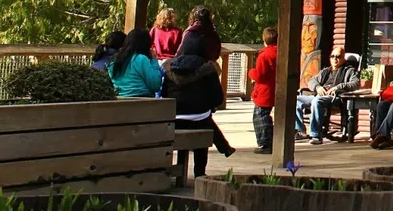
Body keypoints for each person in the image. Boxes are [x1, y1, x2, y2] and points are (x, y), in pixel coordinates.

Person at [162, 48, 234, 176]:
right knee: (205, 122)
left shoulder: (169, 68)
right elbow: (218, 99)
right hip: (199, 119)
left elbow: (164, 93)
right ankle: (200, 173)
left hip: (174, 118)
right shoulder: (208, 68)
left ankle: (224, 147)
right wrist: (208, 105)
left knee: (204, 119)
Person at [297, 46, 362, 145]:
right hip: (319, 95)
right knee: (296, 100)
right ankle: (300, 131)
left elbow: (355, 84)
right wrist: (317, 87)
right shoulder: (325, 71)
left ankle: (316, 135)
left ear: (343, 58)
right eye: (332, 56)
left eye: (338, 56)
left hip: (334, 97)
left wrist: (337, 88)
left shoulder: (349, 71)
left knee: (317, 101)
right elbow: (311, 81)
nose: (335, 59)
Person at [108, 28, 164, 98]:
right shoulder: (141, 59)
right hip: (141, 99)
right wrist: (154, 60)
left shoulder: (114, 59)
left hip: (119, 98)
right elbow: (155, 85)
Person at [248, 27, 277, 154]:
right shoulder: (280, 52)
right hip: (276, 88)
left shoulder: (264, 55)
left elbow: (260, 75)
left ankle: (265, 144)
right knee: (265, 116)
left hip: (265, 90)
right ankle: (274, 141)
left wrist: (251, 72)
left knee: (260, 117)